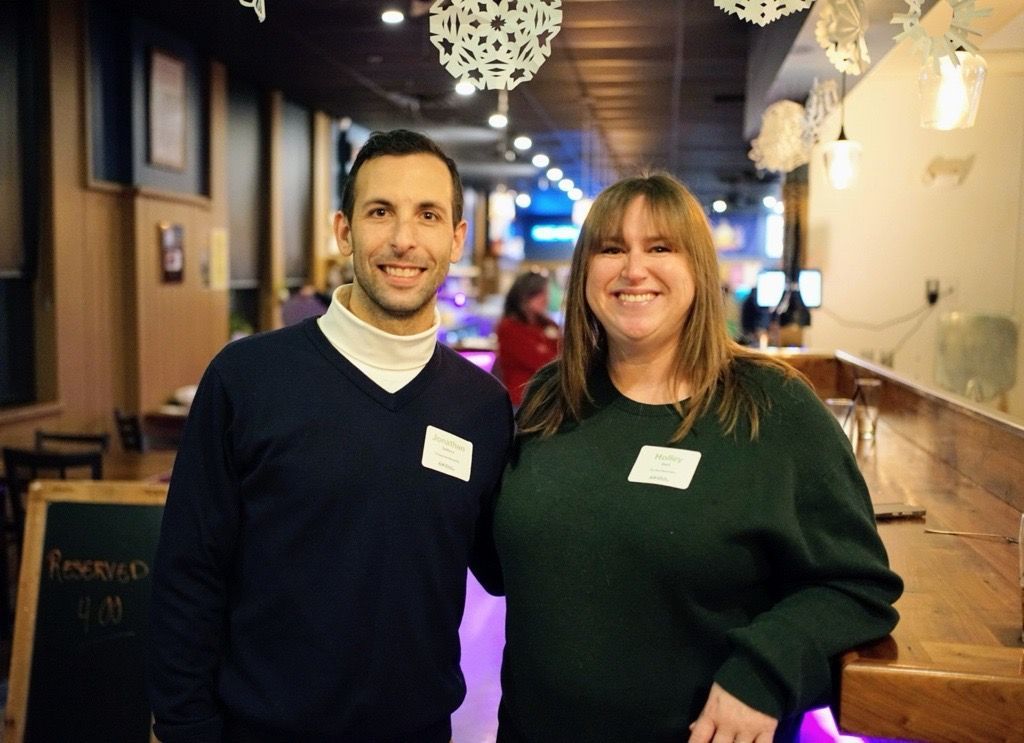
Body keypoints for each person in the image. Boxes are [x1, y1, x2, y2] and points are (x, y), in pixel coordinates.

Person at [492, 173, 902, 743]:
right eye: (612, 249)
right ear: (585, 271)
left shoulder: (773, 407)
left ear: (699, 271)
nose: (634, 269)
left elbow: (855, 587)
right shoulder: (550, 397)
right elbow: (501, 558)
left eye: (660, 248)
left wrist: (764, 672)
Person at [149, 129, 513, 743]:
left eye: (427, 215)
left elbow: (512, 563)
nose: (403, 239)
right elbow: (188, 573)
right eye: (380, 212)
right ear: (344, 231)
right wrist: (185, 726)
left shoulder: (480, 406)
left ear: (456, 238)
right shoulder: (246, 380)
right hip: (258, 731)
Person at [495, 271, 561, 407]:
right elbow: (544, 363)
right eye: (540, 294)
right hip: (523, 402)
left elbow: (568, 352)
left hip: (550, 400)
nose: (545, 299)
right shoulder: (509, 327)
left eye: (546, 293)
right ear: (524, 296)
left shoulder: (547, 324)